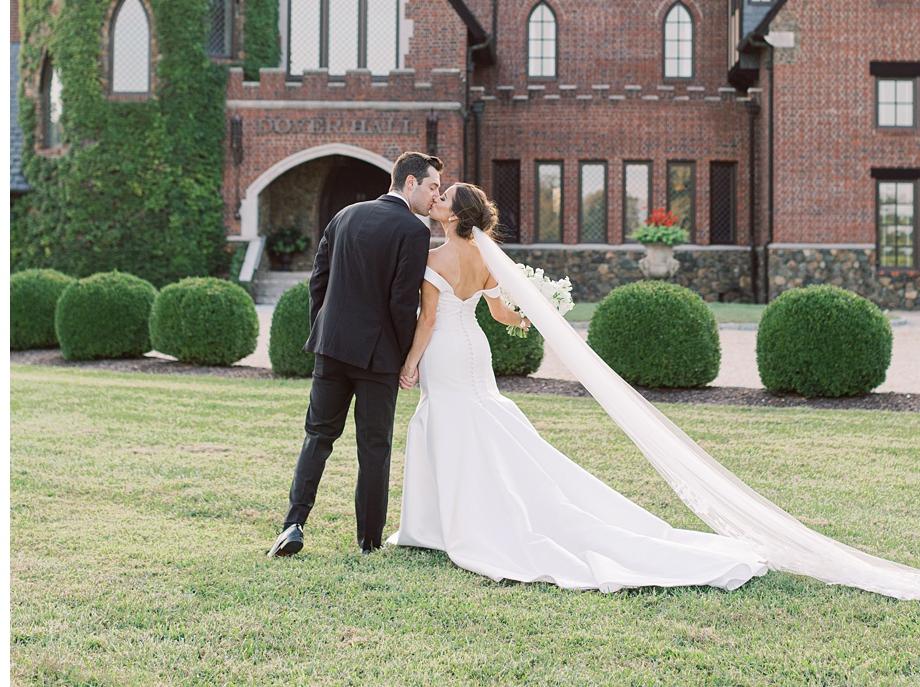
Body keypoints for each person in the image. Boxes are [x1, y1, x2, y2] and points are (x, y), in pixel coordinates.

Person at [388, 183, 768, 592]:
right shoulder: (485, 256)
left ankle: (443, 524)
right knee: (479, 421)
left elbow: (428, 320)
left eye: (444, 197)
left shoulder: (433, 259)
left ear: (456, 216)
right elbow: (500, 313)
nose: (436, 199)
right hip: (475, 349)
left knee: (450, 424)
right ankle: (462, 515)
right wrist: (531, 317)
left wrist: (409, 364)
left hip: (444, 349)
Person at [270, 151, 442, 558]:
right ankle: (369, 541)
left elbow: (318, 282)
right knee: (374, 447)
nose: (436, 196)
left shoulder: (344, 215)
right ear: (410, 182)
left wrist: (323, 330)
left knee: (318, 435)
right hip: (378, 357)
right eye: (432, 186)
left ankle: (293, 524)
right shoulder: (413, 230)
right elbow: (402, 303)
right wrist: (405, 358)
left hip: (330, 348)